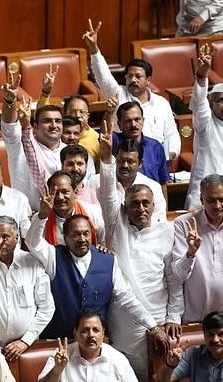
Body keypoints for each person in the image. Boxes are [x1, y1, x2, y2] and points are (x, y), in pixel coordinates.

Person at [98, 126, 183, 380]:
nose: (141, 208)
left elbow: (174, 280)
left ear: (154, 204)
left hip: (159, 319)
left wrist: (174, 315)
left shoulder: (166, 232)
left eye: (146, 203)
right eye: (134, 204)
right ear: (125, 206)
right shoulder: (116, 222)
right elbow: (107, 194)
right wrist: (105, 158)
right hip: (124, 321)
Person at [25, 213, 168, 346]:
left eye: (85, 233)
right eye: (76, 234)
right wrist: (42, 216)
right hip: (58, 341)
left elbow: (126, 298)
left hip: (94, 344)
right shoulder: (53, 256)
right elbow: (32, 242)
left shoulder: (108, 260)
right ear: (66, 237)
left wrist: (153, 326)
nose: (82, 239)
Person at [83, 19, 180, 160]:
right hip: (123, 158)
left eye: (138, 76)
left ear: (148, 80)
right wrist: (94, 49)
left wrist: (169, 155)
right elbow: (103, 76)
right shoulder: (118, 93)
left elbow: (171, 133)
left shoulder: (161, 103)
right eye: (129, 76)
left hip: (154, 158)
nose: (133, 80)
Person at [0, 216, 54, 359]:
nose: (0, 243)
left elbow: (47, 308)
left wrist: (25, 341)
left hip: (27, 347)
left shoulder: (32, 264)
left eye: (5, 237)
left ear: (17, 238)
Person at [0, 77, 66, 210]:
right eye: (47, 121)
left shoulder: (71, 152)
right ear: (35, 126)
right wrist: (10, 102)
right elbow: (9, 129)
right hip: (28, 220)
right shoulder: (20, 148)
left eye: (58, 121)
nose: (54, 125)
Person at [172, 174, 223, 323]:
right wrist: (190, 253)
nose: (217, 205)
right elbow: (178, 275)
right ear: (201, 200)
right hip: (196, 318)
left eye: (222, 200)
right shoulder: (184, 224)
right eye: (211, 200)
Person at [37, 311, 138, 382]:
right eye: (85, 330)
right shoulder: (60, 356)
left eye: (96, 330)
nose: (91, 335)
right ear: (75, 334)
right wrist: (57, 370)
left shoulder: (118, 359)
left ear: (103, 333)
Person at [87, 139, 168, 223]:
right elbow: (87, 214)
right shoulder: (95, 182)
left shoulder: (153, 187)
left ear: (140, 163)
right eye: (121, 161)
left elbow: (159, 220)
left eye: (130, 162)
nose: (124, 165)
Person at [185, 48, 223, 210]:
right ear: (212, 102)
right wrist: (202, 75)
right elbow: (199, 102)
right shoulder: (205, 123)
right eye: (221, 100)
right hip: (204, 201)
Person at [30, 171, 105, 246]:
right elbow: (32, 245)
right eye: (55, 193)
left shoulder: (94, 213)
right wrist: (42, 216)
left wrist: (103, 248)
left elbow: (104, 242)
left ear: (75, 193)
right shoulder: (40, 218)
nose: (60, 197)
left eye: (65, 192)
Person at [109, 100, 170, 185]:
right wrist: (109, 113)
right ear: (119, 124)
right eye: (128, 121)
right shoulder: (114, 142)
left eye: (137, 119)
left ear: (143, 120)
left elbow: (162, 182)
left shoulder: (156, 147)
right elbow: (105, 134)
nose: (133, 124)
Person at [157, 310, 223, 381]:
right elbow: (162, 380)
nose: (215, 339)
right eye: (211, 334)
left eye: (221, 334)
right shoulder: (192, 355)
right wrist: (169, 365)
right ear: (204, 335)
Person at [63, 96, 100, 166]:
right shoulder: (57, 134)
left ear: (88, 116)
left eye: (82, 112)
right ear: (64, 114)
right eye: (72, 111)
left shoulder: (96, 139)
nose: (77, 115)